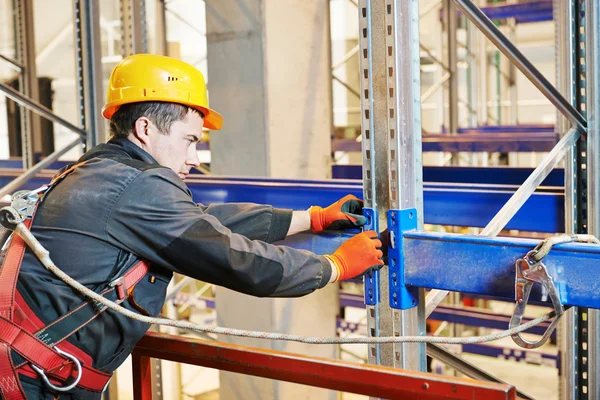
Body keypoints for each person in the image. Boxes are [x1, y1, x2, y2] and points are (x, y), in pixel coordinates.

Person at [0, 54, 383, 399]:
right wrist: (334, 266)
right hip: (31, 381)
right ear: (147, 129)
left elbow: (200, 222)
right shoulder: (139, 186)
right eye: (188, 141)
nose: (194, 158)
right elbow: (235, 260)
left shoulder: (100, 171)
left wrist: (310, 219)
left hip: (27, 368)